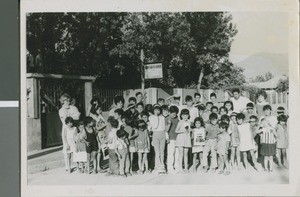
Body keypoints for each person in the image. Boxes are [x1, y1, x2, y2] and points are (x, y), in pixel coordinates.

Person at [148, 104, 167, 174]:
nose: (157, 111)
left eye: (158, 110)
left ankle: (162, 166)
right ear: (153, 110)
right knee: (157, 152)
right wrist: (156, 117)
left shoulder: (162, 117)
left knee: (162, 152)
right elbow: (154, 126)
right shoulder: (151, 117)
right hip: (155, 134)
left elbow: (164, 128)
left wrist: (166, 136)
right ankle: (157, 166)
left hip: (162, 134)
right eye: (155, 110)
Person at [175, 109, 192, 173]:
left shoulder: (189, 122)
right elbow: (176, 131)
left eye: (186, 115)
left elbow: (189, 130)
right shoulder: (180, 122)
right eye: (183, 115)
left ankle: (186, 168)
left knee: (186, 154)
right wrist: (183, 131)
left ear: (188, 115)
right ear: (181, 116)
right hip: (181, 138)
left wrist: (190, 130)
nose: (185, 116)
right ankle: (180, 168)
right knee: (181, 154)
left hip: (187, 138)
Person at [166, 105, 180, 174]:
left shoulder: (178, 119)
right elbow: (165, 130)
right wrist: (167, 137)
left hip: (177, 139)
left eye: (175, 114)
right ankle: (170, 168)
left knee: (177, 154)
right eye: (172, 114)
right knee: (171, 154)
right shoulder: (167, 119)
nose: (174, 115)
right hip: (170, 139)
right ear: (169, 112)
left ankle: (177, 166)